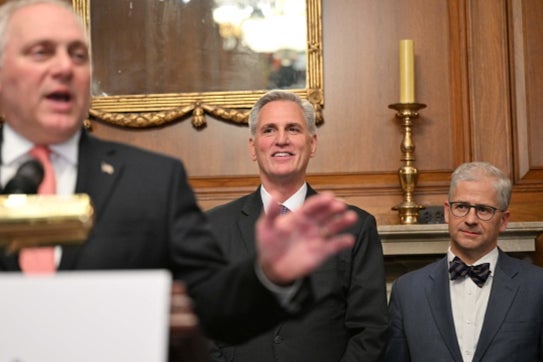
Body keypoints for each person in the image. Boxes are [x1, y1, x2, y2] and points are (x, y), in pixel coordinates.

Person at [0, 0, 359, 351]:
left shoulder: (153, 180)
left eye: (78, 55)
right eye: (41, 52)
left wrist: (268, 274)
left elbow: (216, 310)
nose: (65, 67)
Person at [206, 90, 388, 362]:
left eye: (293, 129)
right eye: (269, 130)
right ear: (253, 147)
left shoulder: (355, 227)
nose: (281, 140)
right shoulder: (214, 227)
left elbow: (370, 330)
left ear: (312, 143)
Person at [385, 162, 543, 362]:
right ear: (446, 212)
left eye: (484, 210)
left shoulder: (537, 287)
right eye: (461, 206)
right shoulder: (407, 291)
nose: (470, 219)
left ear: (504, 220)